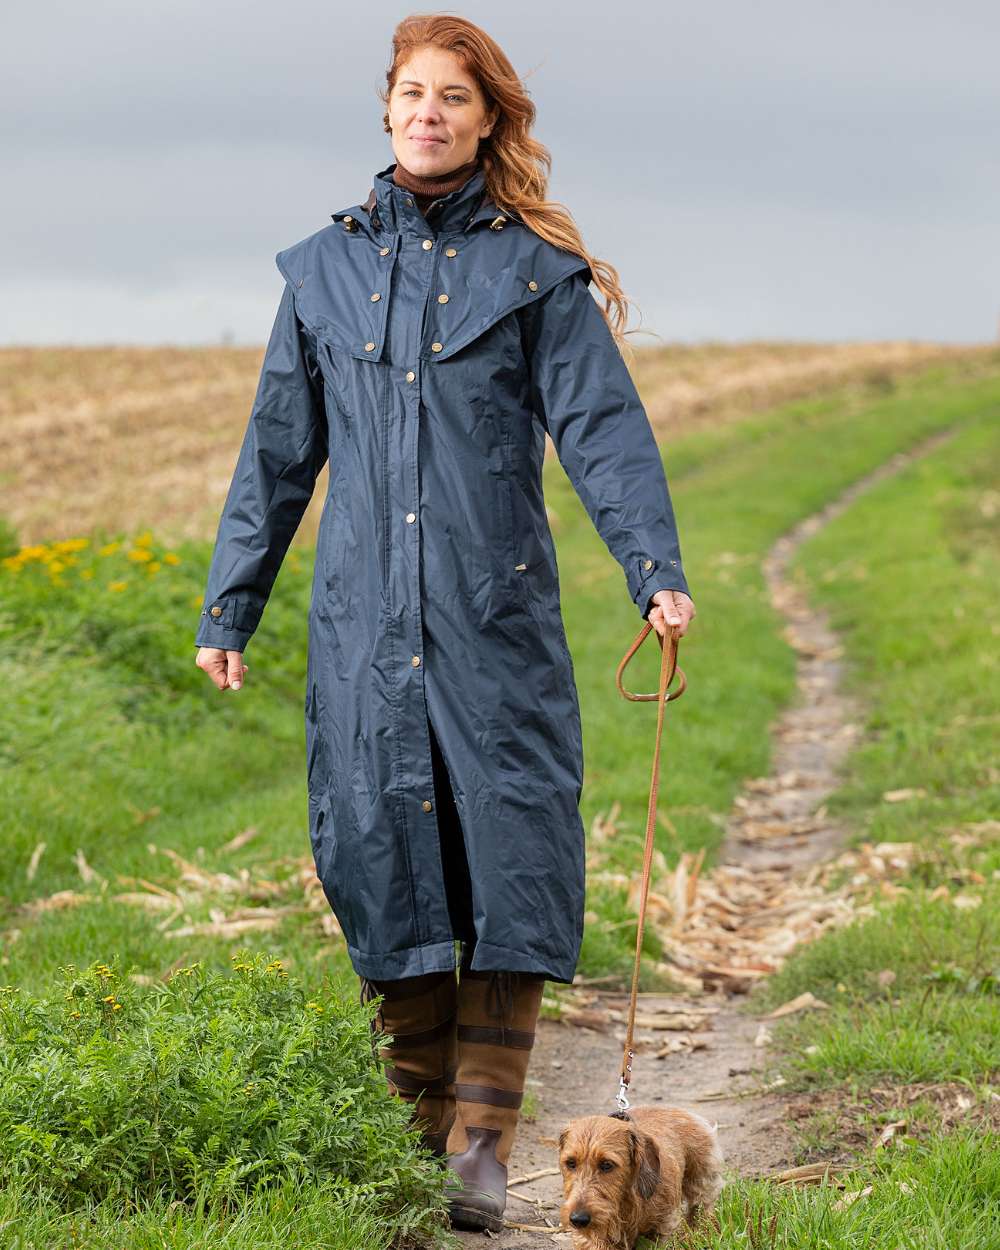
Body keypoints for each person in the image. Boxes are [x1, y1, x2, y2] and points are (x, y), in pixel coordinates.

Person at [194, 12, 695, 1233]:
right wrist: (232, 602)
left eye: (453, 98)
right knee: (383, 866)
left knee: (508, 871)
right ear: (386, 110)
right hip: (365, 632)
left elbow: (603, 429)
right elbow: (276, 453)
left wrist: (652, 566)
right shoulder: (318, 272)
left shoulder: (532, 270)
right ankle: (413, 1142)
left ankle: (480, 1146)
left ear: (487, 120)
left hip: (494, 622)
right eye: (412, 93)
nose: (430, 113)